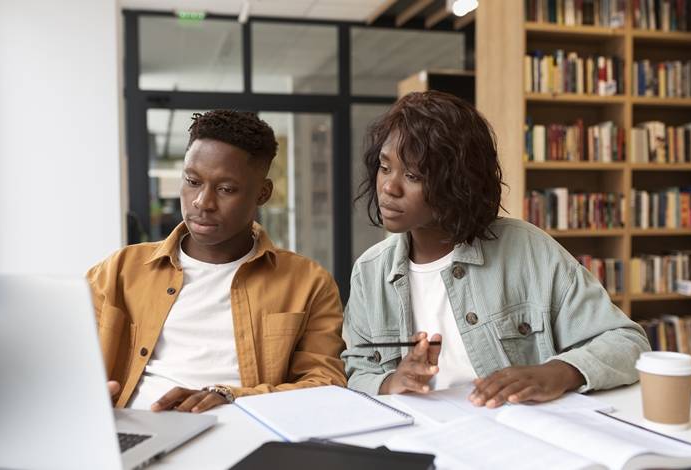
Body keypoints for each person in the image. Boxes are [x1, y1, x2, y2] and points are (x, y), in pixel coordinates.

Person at [342, 91, 650, 407]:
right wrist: (393, 381)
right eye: (384, 167)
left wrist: (556, 373)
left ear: (456, 182)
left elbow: (628, 343)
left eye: (412, 175)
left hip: (516, 434)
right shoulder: (370, 272)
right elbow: (357, 370)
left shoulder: (528, 250)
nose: (389, 187)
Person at [89, 110, 346, 413]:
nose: (202, 202)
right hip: (139, 428)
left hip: (247, 432)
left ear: (262, 193)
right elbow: (63, 362)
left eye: (226, 189)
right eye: (192, 181)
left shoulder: (308, 283)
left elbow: (326, 384)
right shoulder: (119, 270)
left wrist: (232, 396)